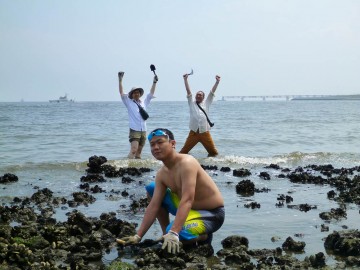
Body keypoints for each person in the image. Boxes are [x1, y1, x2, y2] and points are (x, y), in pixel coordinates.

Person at [116, 128, 225, 254]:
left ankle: (203, 236)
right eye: (152, 145)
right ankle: (165, 234)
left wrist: (174, 232)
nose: (155, 147)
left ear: (172, 144)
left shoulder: (187, 162)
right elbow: (154, 205)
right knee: (152, 189)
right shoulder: (162, 174)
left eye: (160, 142)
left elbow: (188, 199)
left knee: (176, 232)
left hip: (211, 214)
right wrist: (138, 236)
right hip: (189, 210)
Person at [118, 71, 158, 159]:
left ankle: (137, 170)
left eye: (138, 92)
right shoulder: (128, 102)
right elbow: (121, 93)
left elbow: (150, 94)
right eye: (134, 92)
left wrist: (154, 82)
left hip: (143, 129)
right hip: (134, 129)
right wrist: (120, 80)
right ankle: (127, 167)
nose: (137, 94)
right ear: (131, 94)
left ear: (140, 94)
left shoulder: (144, 102)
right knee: (133, 150)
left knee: (139, 152)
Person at [179, 73, 221, 157]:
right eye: (197, 95)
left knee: (214, 153)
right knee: (183, 152)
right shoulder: (191, 103)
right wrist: (185, 80)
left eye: (200, 95)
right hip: (193, 133)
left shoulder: (207, 103)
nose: (198, 96)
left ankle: (211, 165)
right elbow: (188, 92)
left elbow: (212, 93)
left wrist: (217, 82)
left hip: (205, 132)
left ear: (203, 97)